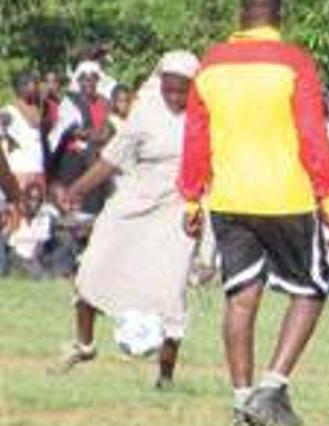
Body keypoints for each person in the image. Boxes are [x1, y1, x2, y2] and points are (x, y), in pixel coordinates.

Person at [178, 0, 329, 426]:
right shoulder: (294, 61)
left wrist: (192, 199)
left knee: (241, 298)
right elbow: (311, 133)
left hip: (229, 198)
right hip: (285, 196)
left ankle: (241, 404)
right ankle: (271, 389)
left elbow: (196, 136)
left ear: (240, 15)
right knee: (312, 289)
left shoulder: (210, 64)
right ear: (278, 15)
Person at [48, 52, 201, 389]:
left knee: (171, 289)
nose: (175, 98)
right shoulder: (144, 113)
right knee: (93, 266)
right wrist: (75, 190)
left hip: (178, 209)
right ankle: (83, 345)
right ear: (159, 84)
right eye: (169, 90)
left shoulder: (204, 117)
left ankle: (165, 377)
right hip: (133, 202)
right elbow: (110, 160)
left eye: (182, 92)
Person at [48, 61, 113, 216]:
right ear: (78, 82)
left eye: (93, 79)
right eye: (84, 79)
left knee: (94, 196)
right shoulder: (71, 101)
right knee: (72, 195)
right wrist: (92, 134)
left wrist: (100, 135)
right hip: (73, 157)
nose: (89, 82)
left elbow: (108, 127)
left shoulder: (104, 102)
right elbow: (69, 130)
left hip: (96, 155)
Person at [2, 71, 46, 190]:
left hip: (38, 169)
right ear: (22, 87)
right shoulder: (8, 111)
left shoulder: (36, 108)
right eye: (34, 84)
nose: (37, 88)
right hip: (19, 171)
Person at [6, 183, 54, 278]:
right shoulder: (16, 215)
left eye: (38, 199)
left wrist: (34, 259)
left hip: (34, 257)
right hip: (16, 255)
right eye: (31, 198)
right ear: (25, 198)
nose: (34, 203)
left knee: (43, 275)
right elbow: (10, 243)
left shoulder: (45, 217)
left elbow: (41, 243)